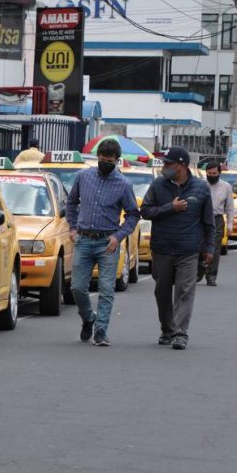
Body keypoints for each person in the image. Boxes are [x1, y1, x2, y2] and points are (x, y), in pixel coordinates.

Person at [66, 137, 141, 347]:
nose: (105, 162)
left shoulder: (124, 185)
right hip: (84, 239)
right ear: (97, 157)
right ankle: (89, 318)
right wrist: (72, 227)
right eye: (102, 158)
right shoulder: (83, 177)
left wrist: (118, 236)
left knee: (107, 289)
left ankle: (101, 331)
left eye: (109, 160)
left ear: (117, 160)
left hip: (108, 243)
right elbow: (71, 203)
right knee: (78, 288)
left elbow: (133, 214)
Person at [141, 147, 214, 350]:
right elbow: (145, 211)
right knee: (162, 292)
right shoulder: (158, 186)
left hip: (189, 251)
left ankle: (180, 333)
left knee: (185, 291)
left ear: (181, 166)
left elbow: (208, 222)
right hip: (162, 249)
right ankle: (167, 329)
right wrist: (170, 208)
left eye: (167, 163)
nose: (164, 167)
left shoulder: (200, 188)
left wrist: (209, 248)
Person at [198, 161, 235, 286]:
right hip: (200, 219)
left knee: (214, 248)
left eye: (214, 173)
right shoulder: (200, 185)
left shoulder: (226, 187)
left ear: (219, 173)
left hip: (217, 220)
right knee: (198, 246)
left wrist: (230, 224)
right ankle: (199, 270)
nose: (212, 175)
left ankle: (211, 276)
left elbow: (230, 207)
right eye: (209, 173)